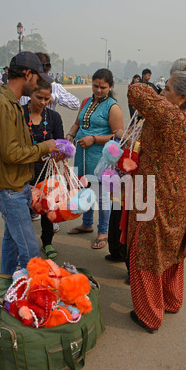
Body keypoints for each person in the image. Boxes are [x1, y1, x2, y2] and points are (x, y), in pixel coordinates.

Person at [126, 71, 186, 333]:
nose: (161, 92)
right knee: (172, 252)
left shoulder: (171, 117)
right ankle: (171, 300)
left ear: (183, 97)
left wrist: (149, 88)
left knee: (145, 251)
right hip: (181, 192)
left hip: (153, 190)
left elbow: (135, 91)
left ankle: (149, 315)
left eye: (167, 88)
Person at [0, 51, 60, 276]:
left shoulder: (12, 104)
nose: (37, 84)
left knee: (12, 242)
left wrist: (47, 151)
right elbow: (11, 153)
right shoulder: (2, 106)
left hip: (17, 185)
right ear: (27, 74)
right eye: (37, 78)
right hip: (9, 188)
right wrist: (45, 146)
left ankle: (5, 287)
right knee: (30, 249)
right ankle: (30, 300)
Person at [66, 68, 124, 249]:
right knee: (84, 188)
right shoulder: (86, 101)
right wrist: (70, 135)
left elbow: (118, 136)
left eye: (103, 87)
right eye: (95, 86)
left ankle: (103, 231)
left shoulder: (113, 107)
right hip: (82, 154)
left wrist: (94, 139)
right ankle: (87, 223)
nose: (98, 90)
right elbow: (77, 123)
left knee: (102, 195)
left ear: (110, 87)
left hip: (100, 158)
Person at [22, 80, 64, 260]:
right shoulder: (19, 114)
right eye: (39, 97)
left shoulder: (54, 117)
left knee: (48, 209)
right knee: (23, 211)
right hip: (23, 171)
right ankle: (24, 245)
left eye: (47, 98)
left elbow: (61, 144)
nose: (42, 102)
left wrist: (61, 152)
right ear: (31, 94)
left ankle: (47, 242)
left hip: (47, 171)